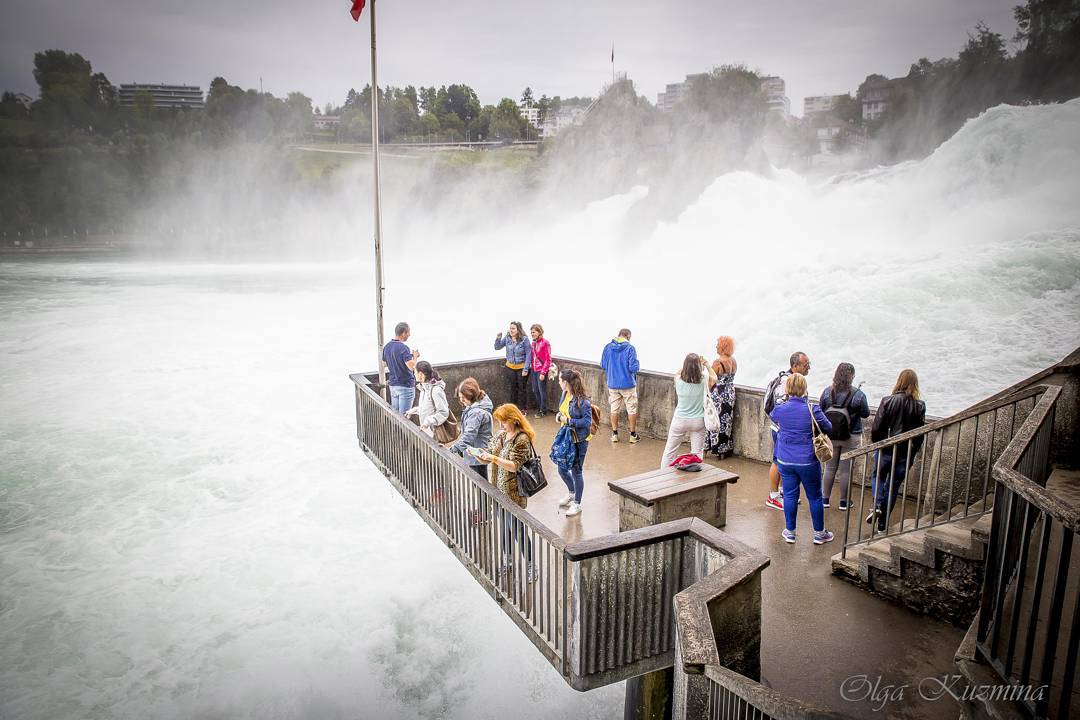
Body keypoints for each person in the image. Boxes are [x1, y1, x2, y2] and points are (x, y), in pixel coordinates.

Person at [769, 373, 835, 545]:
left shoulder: (780, 408)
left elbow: (773, 417)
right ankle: (819, 534)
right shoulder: (812, 409)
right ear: (804, 388)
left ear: (787, 388)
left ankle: (790, 532)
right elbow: (828, 427)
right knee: (815, 497)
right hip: (807, 460)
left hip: (785, 459)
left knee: (790, 495)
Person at [478, 404, 536, 582]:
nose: (501, 425)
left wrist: (493, 458)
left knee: (518, 530)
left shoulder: (522, 439)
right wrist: (480, 455)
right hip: (498, 490)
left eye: (503, 421)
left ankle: (531, 565)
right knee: (505, 528)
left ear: (513, 420)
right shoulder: (501, 435)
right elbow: (489, 452)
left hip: (513, 494)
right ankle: (508, 560)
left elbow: (514, 466)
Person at [866, 369, 927, 532]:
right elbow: (919, 435)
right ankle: (882, 526)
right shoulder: (920, 406)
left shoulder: (887, 401)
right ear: (914, 384)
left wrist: (879, 445)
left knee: (878, 476)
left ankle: (877, 505)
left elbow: (876, 428)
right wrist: (912, 453)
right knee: (892, 488)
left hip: (886, 450)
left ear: (899, 381)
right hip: (905, 453)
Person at [763, 351, 811, 510]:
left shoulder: (792, 380)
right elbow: (781, 409)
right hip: (782, 430)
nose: (808, 367)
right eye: (805, 364)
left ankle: (785, 492)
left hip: (785, 430)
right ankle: (773, 496)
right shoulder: (786, 382)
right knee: (778, 462)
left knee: (785, 462)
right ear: (795, 366)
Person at [819, 363, 871, 510]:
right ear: (852, 376)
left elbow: (821, 410)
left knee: (829, 468)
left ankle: (825, 499)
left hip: (831, 435)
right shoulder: (858, 394)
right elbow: (865, 413)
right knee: (846, 470)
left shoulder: (827, 392)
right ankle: (844, 502)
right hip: (851, 436)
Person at [660, 354, 717, 469]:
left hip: (680, 420)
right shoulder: (704, 380)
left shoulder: (678, 380)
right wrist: (706, 364)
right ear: (699, 367)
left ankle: (663, 474)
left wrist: (688, 365)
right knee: (697, 452)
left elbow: (678, 372)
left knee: (670, 451)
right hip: (698, 421)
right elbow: (714, 377)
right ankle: (695, 477)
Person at [555, 369, 592, 517]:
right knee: (562, 468)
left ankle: (577, 503)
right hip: (566, 437)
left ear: (565, 382)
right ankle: (572, 492)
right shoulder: (565, 394)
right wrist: (559, 416)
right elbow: (562, 411)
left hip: (579, 440)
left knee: (576, 470)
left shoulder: (583, 401)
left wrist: (568, 421)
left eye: (559, 380)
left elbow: (587, 422)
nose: (558, 382)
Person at [447, 377, 494, 480]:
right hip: (479, 452)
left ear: (471, 395)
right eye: (460, 397)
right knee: (481, 482)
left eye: (464, 397)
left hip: (476, 454)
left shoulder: (476, 412)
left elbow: (469, 435)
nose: (461, 400)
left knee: (479, 483)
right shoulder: (480, 404)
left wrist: (452, 449)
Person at [600, 328, 641, 443]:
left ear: (619, 335)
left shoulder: (608, 347)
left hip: (613, 383)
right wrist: (637, 363)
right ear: (628, 336)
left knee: (614, 409)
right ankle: (632, 435)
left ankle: (614, 434)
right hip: (628, 384)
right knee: (631, 409)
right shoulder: (630, 348)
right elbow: (633, 368)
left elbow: (603, 365)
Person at [705, 336, 738, 459]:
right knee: (726, 421)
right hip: (730, 392)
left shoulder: (717, 362)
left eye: (718, 345)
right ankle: (724, 450)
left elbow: (712, 380)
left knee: (713, 419)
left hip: (719, 394)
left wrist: (707, 392)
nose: (716, 347)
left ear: (723, 347)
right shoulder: (733, 361)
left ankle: (711, 447)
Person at [382, 322, 419, 414]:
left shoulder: (387, 347)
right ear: (403, 333)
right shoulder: (403, 348)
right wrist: (415, 356)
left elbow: (384, 364)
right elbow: (412, 367)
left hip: (393, 385)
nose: (409, 335)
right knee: (404, 416)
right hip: (405, 385)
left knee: (395, 415)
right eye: (408, 332)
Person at [494, 321, 532, 412]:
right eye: (510, 328)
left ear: (518, 330)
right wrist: (498, 338)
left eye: (513, 328)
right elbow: (497, 347)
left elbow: (529, 354)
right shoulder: (507, 338)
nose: (511, 330)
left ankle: (523, 409)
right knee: (513, 388)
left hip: (522, 367)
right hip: (510, 367)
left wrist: (526, 369)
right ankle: (512, 409)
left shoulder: (524, 339)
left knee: (522, 388)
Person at [405, 361, 449, 437]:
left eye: (415, 372)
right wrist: (413, 411)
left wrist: (428, 421)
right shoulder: (424, 389)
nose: (414, 374)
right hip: (427, 432)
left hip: (435, 433)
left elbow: (443, 413)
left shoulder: (436, 390)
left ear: (420, 374)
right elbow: (428, 409)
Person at [529, 324, 552, 418]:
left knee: (542, 390)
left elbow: (548, 359)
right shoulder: (533, 343)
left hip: (541, 370)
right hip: (534, 370)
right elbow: (532, 356)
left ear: (539, 332)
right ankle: (540, 408)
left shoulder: (545, 343)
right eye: (531, 332)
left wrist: (543, 372)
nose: (532, 334)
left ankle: (543, 410)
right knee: (535, 390)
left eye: (534, 332)